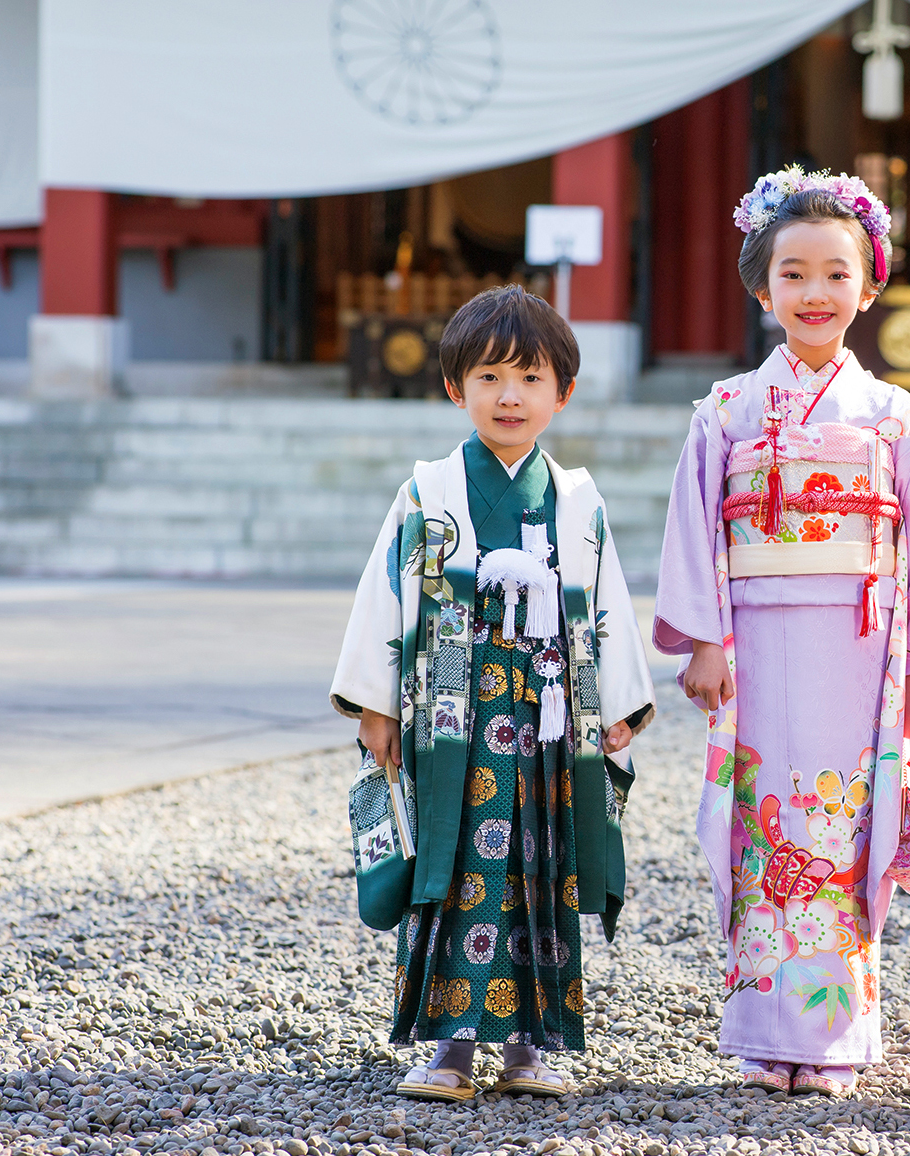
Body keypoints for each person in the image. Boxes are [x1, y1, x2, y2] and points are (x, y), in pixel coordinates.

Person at [654, 165, 910, 1097]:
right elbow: (692, 523)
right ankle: (761, 1029)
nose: (815, 293)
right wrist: (704, 639)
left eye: (836, 274)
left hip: (860, 643)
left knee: (841, 825)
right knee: (762, 823)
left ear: (868, 288)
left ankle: (831, 1038)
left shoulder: (891, 414)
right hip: (752, 635)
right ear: (761, 288)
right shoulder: (724, 410)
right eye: (793, 274)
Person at [331, 286, 655, 1102]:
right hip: (453, 709)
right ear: (454, 388)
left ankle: (529, 1048)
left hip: (548, 710)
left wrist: (617, 705)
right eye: (488, 377)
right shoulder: (425, 491)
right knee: (454, 858)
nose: (510, 396)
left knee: (539, 863)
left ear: (563, 392)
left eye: (531, 378)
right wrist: (375, 704)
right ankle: (448, 1045)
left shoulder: (578, 499)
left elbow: (607, 601)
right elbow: (384, 595)